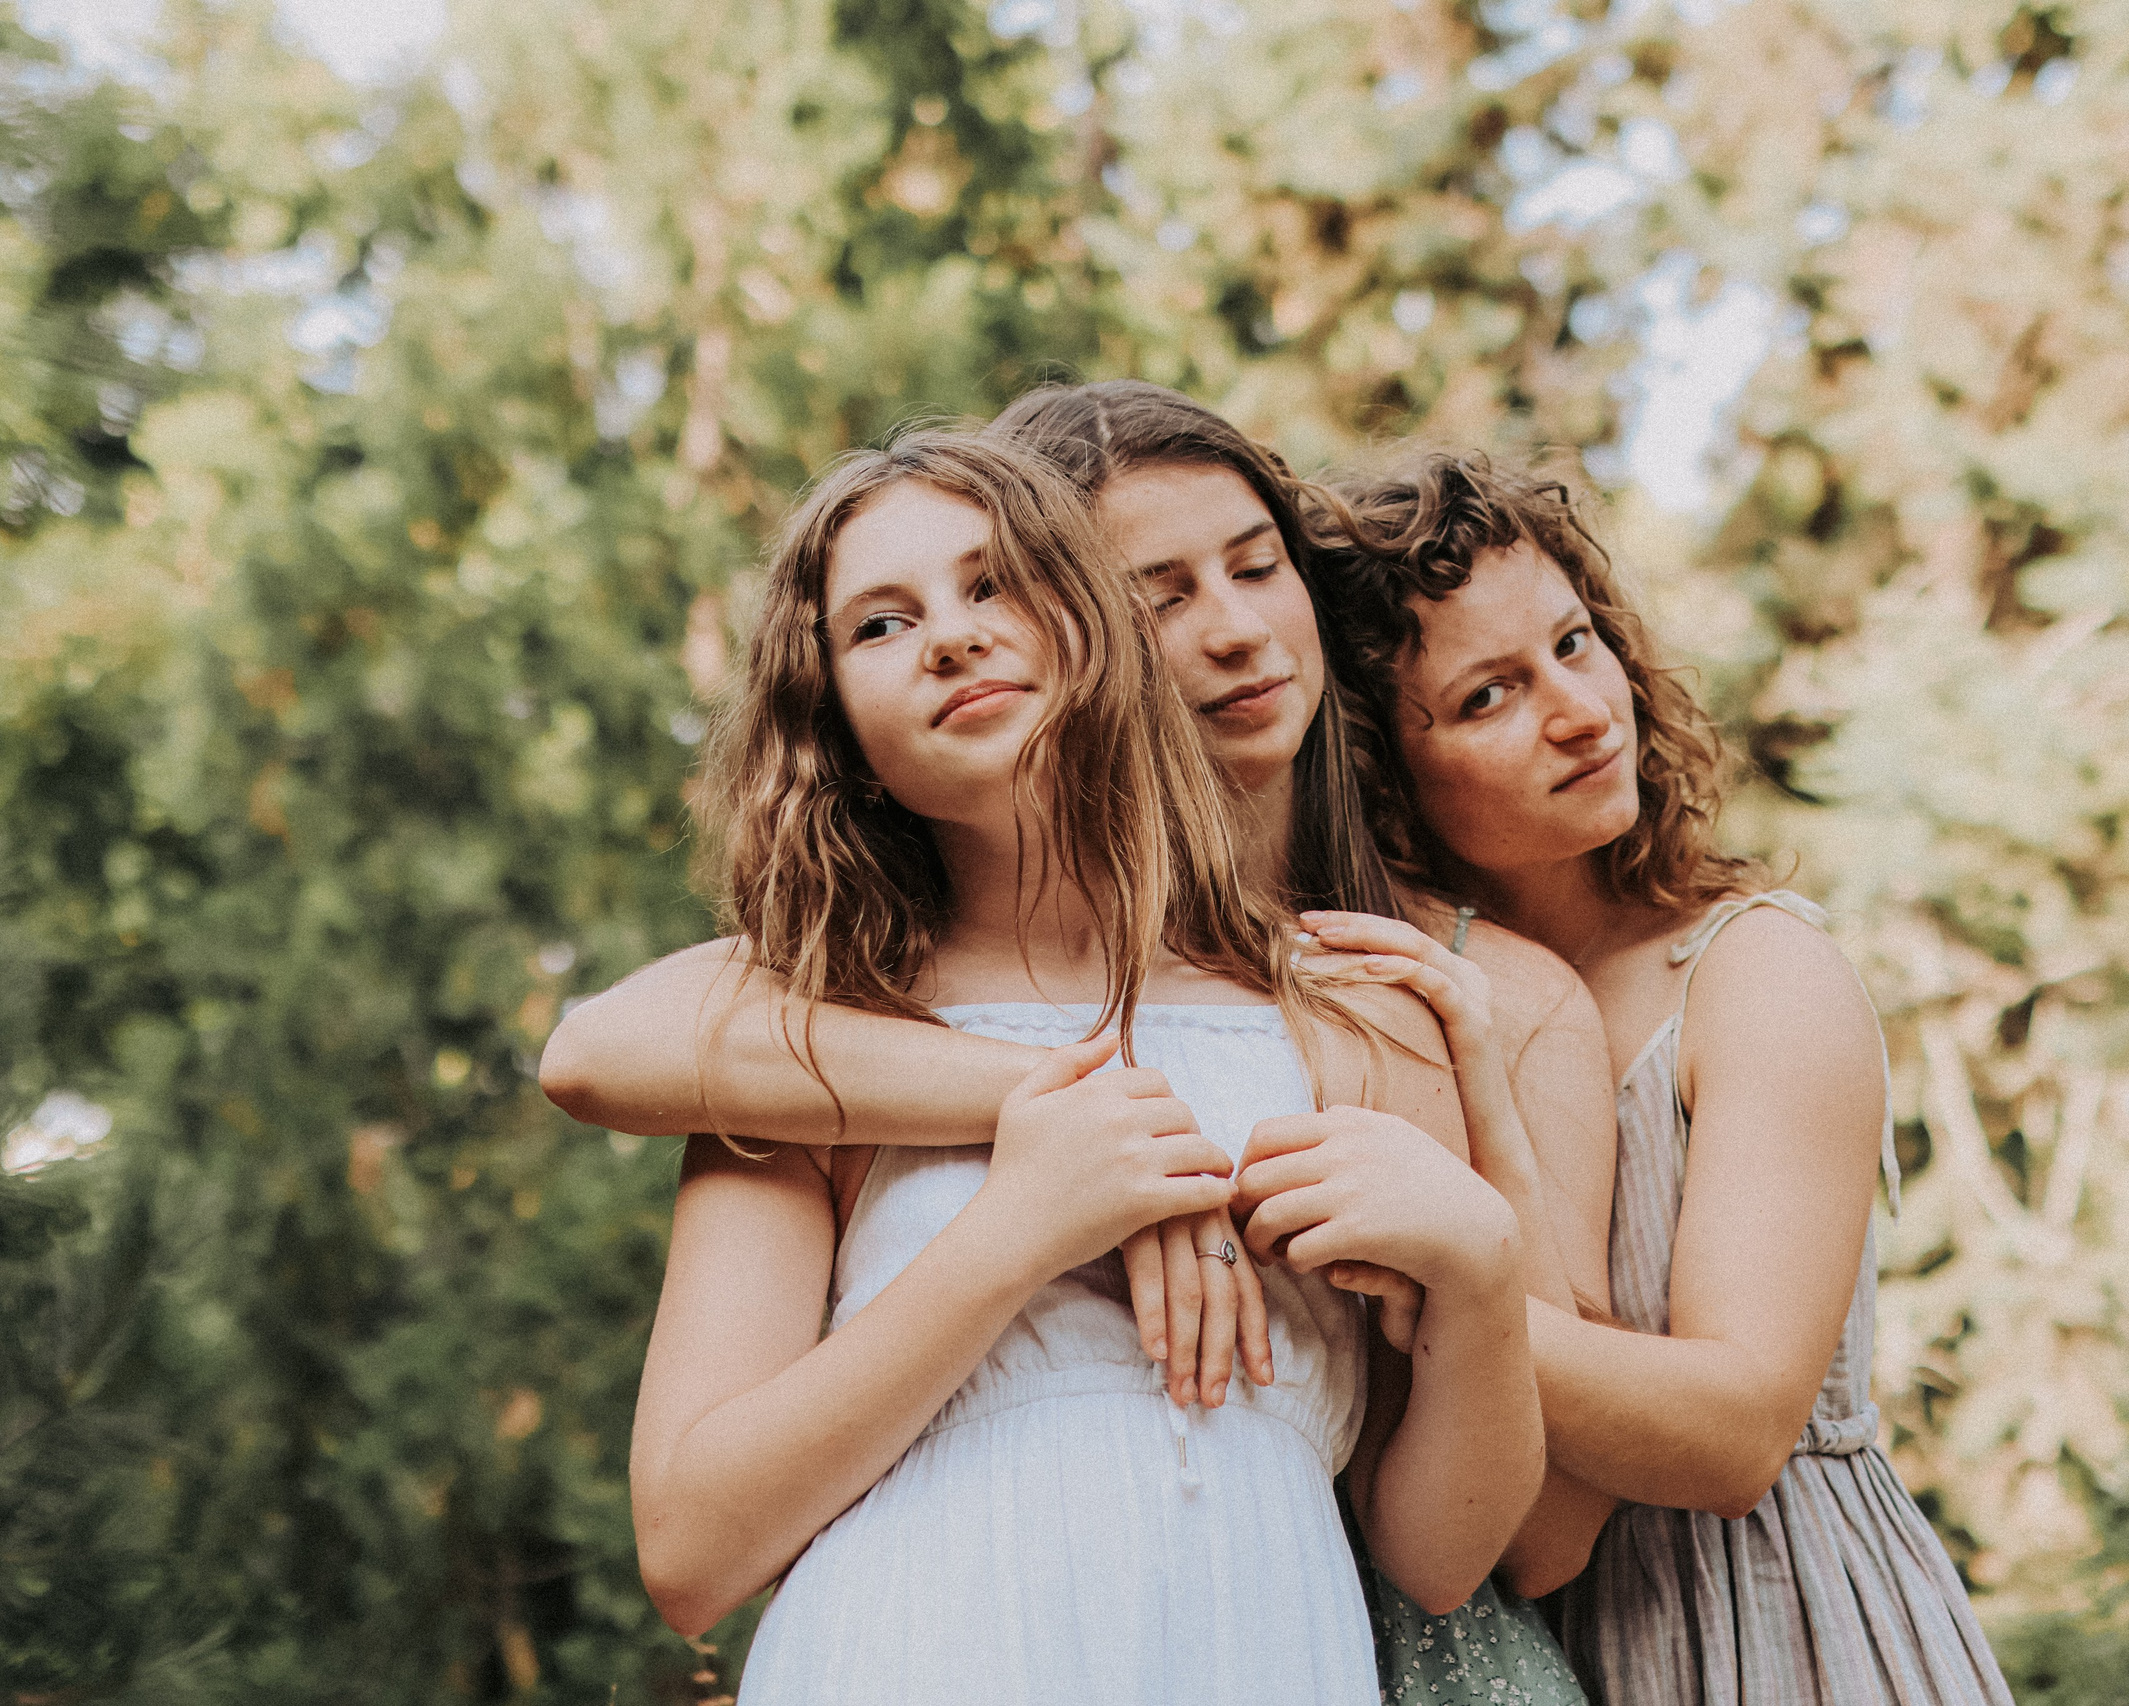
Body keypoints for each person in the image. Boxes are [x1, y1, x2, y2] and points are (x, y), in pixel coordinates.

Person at [545, 385, 1615, 1701]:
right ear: (842, 733)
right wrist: (1027, 1218)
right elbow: (691, 1549)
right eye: (880, 623)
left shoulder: (1346, 1005)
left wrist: (1483, 1275)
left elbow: (1442, 1558)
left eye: (993, 585)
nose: (949, 638)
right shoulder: (820, 1039)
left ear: (1095, 632)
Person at [1299, 450, 2017, 1705]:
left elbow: (1738, 1433)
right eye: (1489, 695)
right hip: (1541, 1643)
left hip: (1793, 1626)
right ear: (1375, 772)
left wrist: (1457, 1296)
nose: (1580, 710)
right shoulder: (1401, 1013)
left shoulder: (1753, 974)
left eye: (1574, 644)